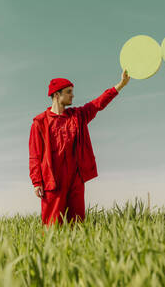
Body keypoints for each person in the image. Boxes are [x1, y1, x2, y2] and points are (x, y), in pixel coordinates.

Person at [29, 70, 130, 225]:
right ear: (56, 94)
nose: (72, 95)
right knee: (52, 225)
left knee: (77, 223)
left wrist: (120, 85)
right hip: (52, 180)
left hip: (75, 178)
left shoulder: (78, 115)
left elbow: (98, 104)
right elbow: (35, 155)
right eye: (69, 92)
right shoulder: (40, 122)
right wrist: (37, 182)